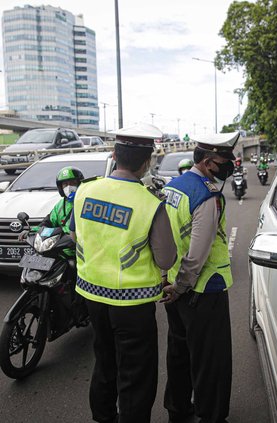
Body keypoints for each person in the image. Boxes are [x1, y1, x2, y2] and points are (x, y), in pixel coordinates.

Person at [70, 123, 177, 423]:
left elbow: (77, 235)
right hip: (132, 306)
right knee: (136, 374)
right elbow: (166, 257)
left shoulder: (84, 191)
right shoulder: (150, 204)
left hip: (91, 294)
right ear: (147, 162)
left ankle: (103, 417)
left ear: (114, 154)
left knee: (105, 360)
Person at [161, 131, 240, 423]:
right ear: (208, 163)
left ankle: (178, 410)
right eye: (224, 162)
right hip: (202, 289)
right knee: (211, 361)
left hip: (173, 287)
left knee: (179, 353)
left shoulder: (174, 187)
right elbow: (198, 253)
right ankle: (212, 415)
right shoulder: (207, 196)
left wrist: (167, 281)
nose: (229, 167)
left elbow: (161, 238)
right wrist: (182, 286)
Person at [20, 166, 84, 257]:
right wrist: (32, 231)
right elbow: (48, 223)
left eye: (73, 183)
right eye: (65, 184)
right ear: (61, 187)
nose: (69, 187)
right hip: (61, 250)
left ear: (79, 184)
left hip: (80, 252)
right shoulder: (61, 205)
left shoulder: (86, 202)